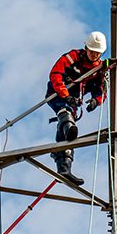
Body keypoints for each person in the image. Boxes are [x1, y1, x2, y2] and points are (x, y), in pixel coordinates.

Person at [46, 31, 107, 185]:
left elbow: (101, 89)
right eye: (92, 52)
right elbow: (55, 74)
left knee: (66, 134)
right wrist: (66, 95)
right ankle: (68, 126)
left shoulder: (99, 68)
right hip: (58, 94)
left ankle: (64, 169)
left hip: (74, 101)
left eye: (97, 53)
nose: (94, 56)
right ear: (86, 48)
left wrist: (96, 101)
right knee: (65, 116)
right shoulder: (72, 57)